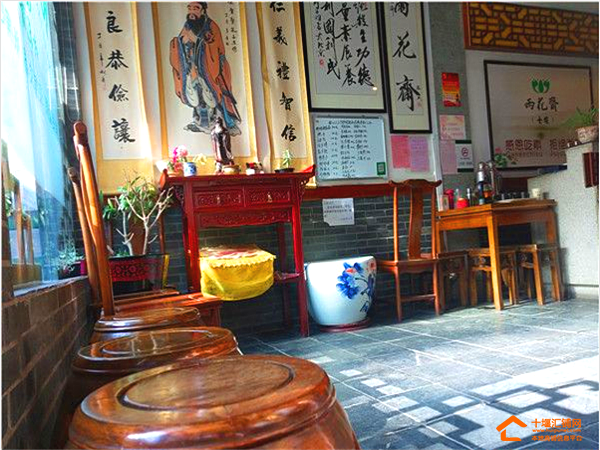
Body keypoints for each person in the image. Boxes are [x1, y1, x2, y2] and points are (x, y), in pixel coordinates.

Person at [170, 2, 241, 135]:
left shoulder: (211, 26)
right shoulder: (187, 26)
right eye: (190, 8)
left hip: (212, 69)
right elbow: (178, 43)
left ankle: (227, 123)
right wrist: (180, 42)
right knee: (197, 95)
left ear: (203, 11)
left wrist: (196, 40)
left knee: (216, 95)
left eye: (196, 8)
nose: (192, 12)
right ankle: (200, 123)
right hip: (192, 69)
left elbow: (216, 48)